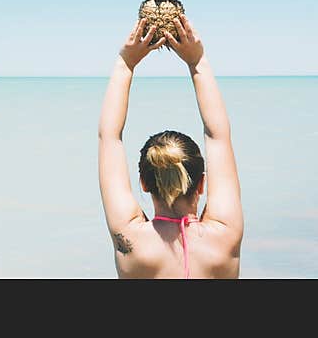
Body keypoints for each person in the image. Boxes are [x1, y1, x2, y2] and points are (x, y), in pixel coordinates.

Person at [97, 14, 243, 278]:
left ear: (143, 183)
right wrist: (197, 62)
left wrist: (125, 63)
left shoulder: (131, 241)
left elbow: (110, 137)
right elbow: (218, 136)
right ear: (201, 183)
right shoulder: (225, 235)